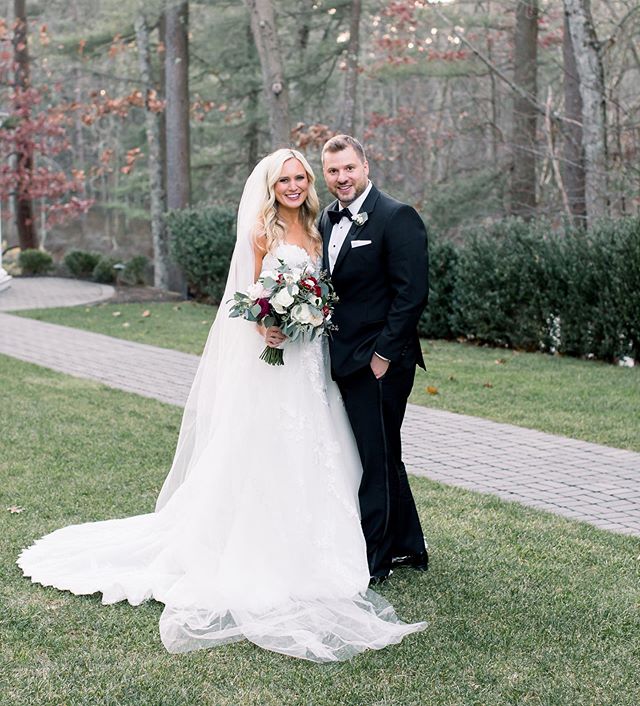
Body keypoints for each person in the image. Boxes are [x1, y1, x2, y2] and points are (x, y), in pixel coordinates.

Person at [17, 148, 426, 663]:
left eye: (302, 178)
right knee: (279, 447)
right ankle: (281, 544)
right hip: (282, 358)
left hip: (320, 361)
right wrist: (269, 323)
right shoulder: (264, 232)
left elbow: (359, 289)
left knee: (347, 448)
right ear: (272, 186)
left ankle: (386, 542)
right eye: (287, 179)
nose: (295, 186)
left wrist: (318, 319)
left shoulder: (322, 227)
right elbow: (251, 294)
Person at [319, 135, 429, 584]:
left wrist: (383, 355)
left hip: (381, 362)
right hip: (343, 357)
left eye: (349, 168)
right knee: (383, 452)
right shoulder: (326, 218)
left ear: (366, 166)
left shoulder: (396, 216)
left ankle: (374, 560)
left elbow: (412, 294)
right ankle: (408, 546)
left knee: (376, 460)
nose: (342, 178)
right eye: (332, 171)